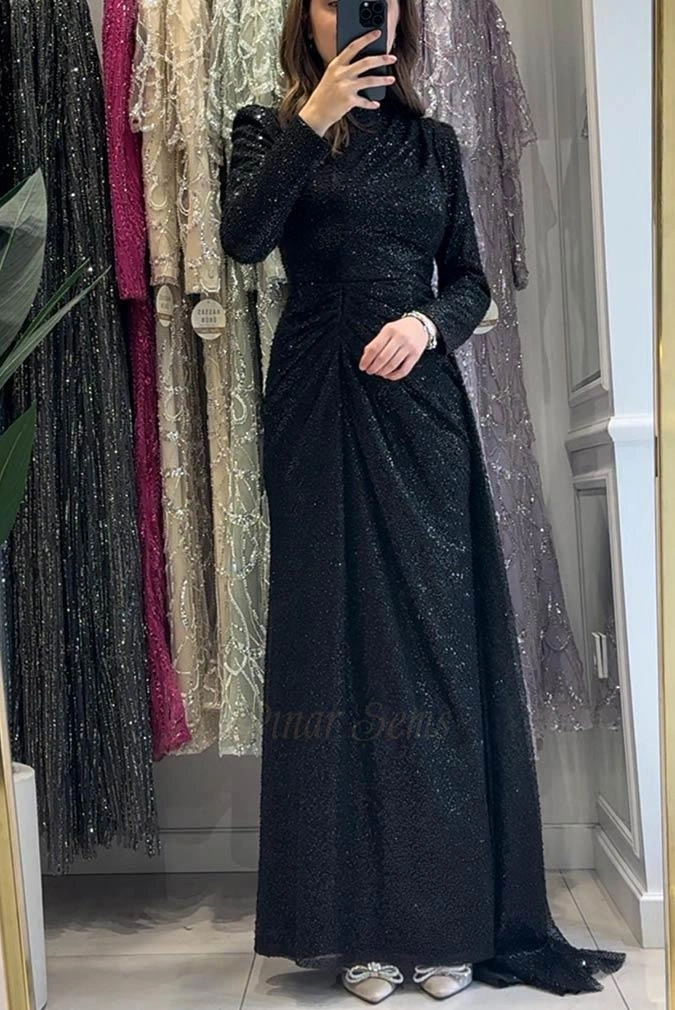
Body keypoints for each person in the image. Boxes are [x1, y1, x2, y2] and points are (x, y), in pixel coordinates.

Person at [220, 0, 627, 1003]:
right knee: (336, 650)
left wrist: (427, 322)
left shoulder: (435, 144)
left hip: (420, 406)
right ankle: (358, 924)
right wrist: (312, 121)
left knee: (439, 656)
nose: (359, 11)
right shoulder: (265, 128)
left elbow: (475, 280)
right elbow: (242, 240)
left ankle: (443, 917)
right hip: (317, 401)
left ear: (401, 15)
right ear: (306, 18)